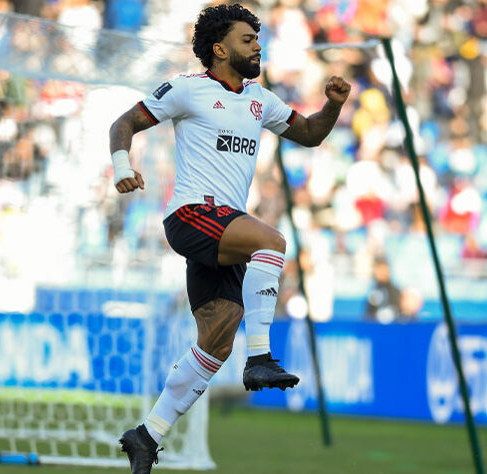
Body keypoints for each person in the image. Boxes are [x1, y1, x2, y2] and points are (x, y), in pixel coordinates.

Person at [107, 4, 350, 472]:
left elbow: (310, 134)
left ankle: (147, 434)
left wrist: (334, 107)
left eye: (257, 39)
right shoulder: (186, 89)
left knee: (214, 344)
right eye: (246, 39)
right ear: (219, 49)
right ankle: (260, 357)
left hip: (226, 230)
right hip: (193, 215)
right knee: (273, 242)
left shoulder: (260, 100)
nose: (257, 45)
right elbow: (124, 123)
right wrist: (122, 167)